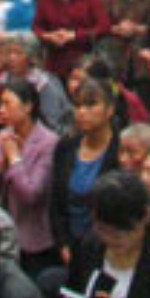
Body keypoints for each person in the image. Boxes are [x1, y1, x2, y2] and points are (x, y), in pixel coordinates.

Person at [0, 80, 63, 279]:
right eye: (0, 104)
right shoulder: (4, 137)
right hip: (7, 236)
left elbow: (32, 193)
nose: (1, 110)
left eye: (8, 104)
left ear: (28, 107)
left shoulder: (49, 142)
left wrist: (15, 159)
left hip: (36, 241)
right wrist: (1, 165)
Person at [52, 79, 124, 266]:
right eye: (78, 105)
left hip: (108, 249)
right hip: (69, 247)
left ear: (110, 109)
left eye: (91, 105)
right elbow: (55, 202)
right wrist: (63, 244)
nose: (82, 112)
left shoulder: (121, 151)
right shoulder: (66, 147)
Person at [35, 0, 112, 81]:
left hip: (83, 64)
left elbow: (103, 26)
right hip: (55, 64)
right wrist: (49, 36)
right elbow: (37, 27)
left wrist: (75, 35)